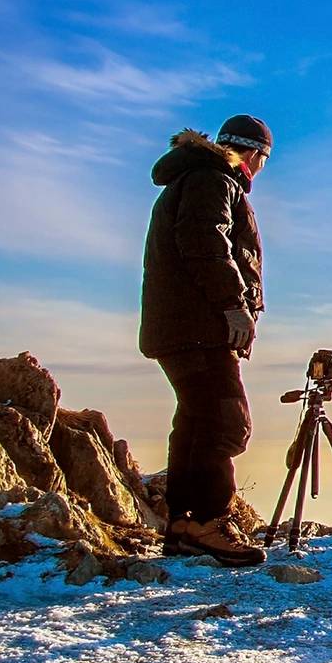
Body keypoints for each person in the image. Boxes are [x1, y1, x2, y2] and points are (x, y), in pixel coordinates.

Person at [139, 115, 273, 567]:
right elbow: (206, 242)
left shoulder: (196, 177)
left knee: (197, 421)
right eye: (262, 159)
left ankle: (183, 524)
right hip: (198, 327)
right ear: (253, 154)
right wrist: (234, 304)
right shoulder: (212, 179)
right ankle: (209, 522)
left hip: (181, 326)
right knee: (225, 421)